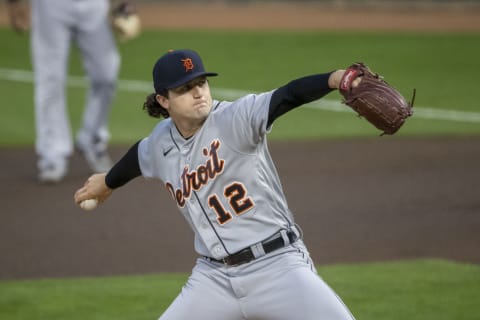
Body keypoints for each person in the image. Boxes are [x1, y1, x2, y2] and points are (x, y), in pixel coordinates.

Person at [74, 49, 360, 320]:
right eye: (185, 88)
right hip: (214, 279)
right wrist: (108, 182)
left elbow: (287, 96)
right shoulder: (161, 140)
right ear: (164, 100)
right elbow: (139, 155)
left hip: (277, 266)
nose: (198, 92)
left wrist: (333, 79)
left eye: (201, 83)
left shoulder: (235, 118)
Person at [6, 0, 121, 183]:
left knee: (106, 75)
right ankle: (52, 155)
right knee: (50, 80)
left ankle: (92, 138)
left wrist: (123, 4)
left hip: (94, 6)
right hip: (50, 6)